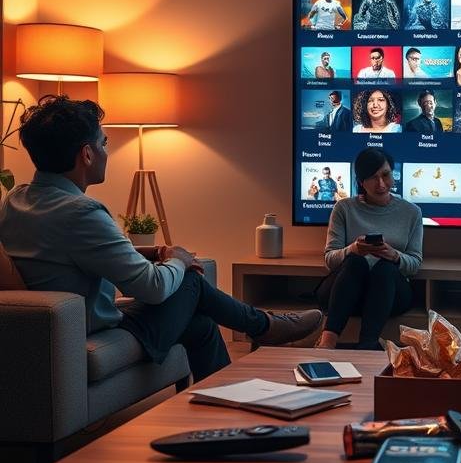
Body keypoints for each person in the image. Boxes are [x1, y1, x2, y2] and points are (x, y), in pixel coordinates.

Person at [0, 96, 322, 381]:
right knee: (189, 283)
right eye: (104, 143)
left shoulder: (16, 200)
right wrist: (177, 261)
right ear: (86, 154)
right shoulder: (82, 212)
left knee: (202, 327)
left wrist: (154, 250)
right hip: (89, 325)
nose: (105, 151)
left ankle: (230, 402)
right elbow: (152, 289)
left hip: (58, 327)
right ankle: (264, 327)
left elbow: (68, 253)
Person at [315, 149, 423, 350]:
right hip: (347, 291)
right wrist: (353, 249)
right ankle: (327, 341)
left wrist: (394, 256)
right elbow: (330, 260)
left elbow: (415, 264)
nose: (381, 184)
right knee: (355, 262)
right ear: (361, 181)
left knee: (385, 268)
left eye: (385, 175)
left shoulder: (412, 212)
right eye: (373, 177)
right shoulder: (343, 208)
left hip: (389, 294)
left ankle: (368, 344)